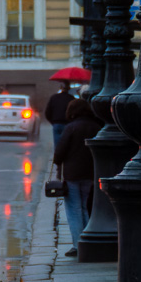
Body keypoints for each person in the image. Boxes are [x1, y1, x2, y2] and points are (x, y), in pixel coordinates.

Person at [52, 97, 102, 258]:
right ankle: (88, 241)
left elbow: (60, 151)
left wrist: (57, 161)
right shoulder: (97, 127)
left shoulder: (71, 128)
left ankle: (77, 244)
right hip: (90, 174)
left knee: (74, 209)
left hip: (72, 174)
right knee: (85, 207)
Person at [44, 81, 75, 148]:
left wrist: (53, 121)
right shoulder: (71, 98)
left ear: (60, 88)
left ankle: (57, 157)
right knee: (67, 144)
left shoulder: (54, 97)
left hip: (57, 123)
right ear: (69, 88)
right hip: (68, 124)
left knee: (57, 145)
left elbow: (47, 112)